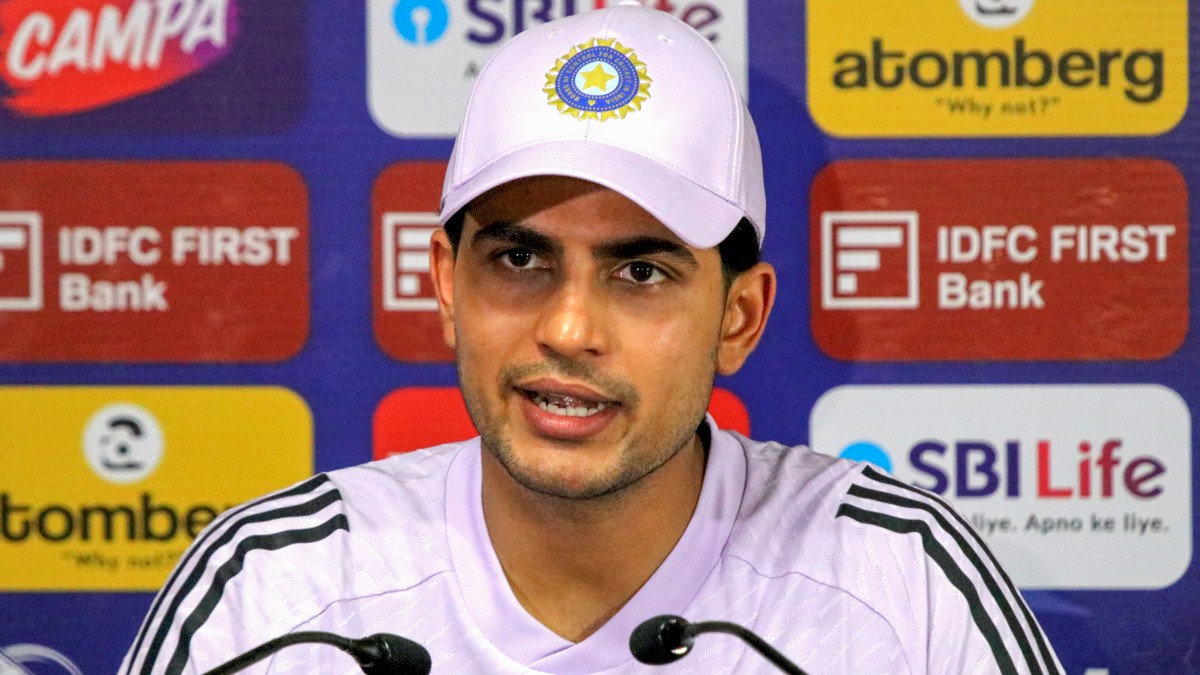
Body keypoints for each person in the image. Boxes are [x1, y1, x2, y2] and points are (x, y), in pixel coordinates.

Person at [122, 2, 1062, 673]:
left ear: (739, 317)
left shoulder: (899, 582)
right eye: (519, 259)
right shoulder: (274, 594)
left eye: (640, 272)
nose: (568, 329)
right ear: (446, 283)